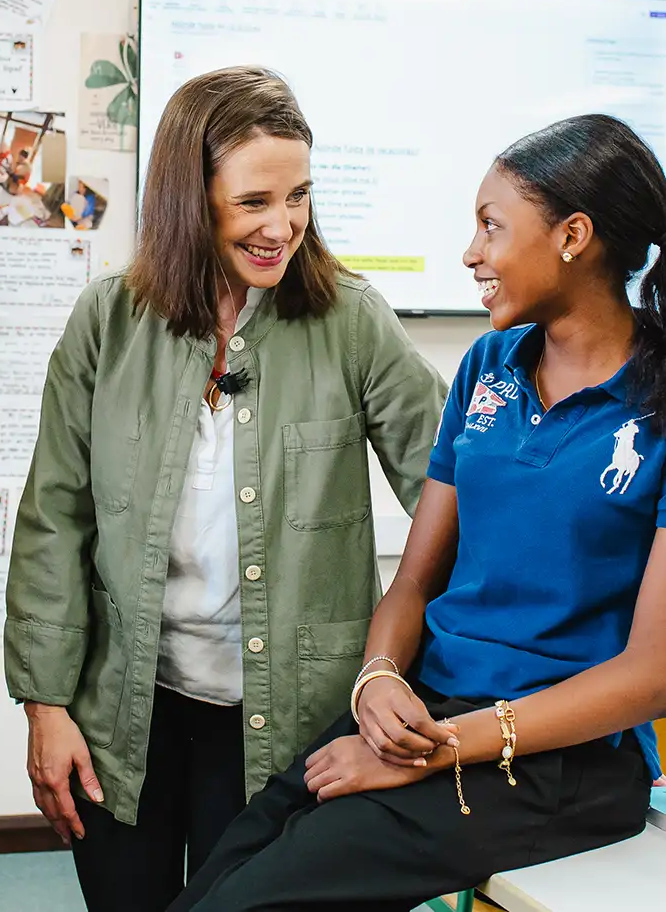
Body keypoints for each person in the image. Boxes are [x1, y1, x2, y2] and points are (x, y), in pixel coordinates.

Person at [169, 113, 666, 911]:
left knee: (249, 902)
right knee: (221, 878)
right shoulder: (489, 364)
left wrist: (435, 753)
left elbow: (650, 676)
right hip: (432, 708)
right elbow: (416, 581)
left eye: (491, 227)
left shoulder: (658, 404)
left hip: (561, 755)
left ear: (574, 236)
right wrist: (376, 680)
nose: (472, 252)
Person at [5, 66, 448, 912]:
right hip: (123, 714)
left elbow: (451, 490)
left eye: (299, 197)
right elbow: (55, 520)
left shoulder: (352, 319)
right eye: (254, 202)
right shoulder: (107, 320)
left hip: (287, 723)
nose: (282, 225)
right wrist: (46, 707)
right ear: (189, 198)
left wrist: (399, 666)